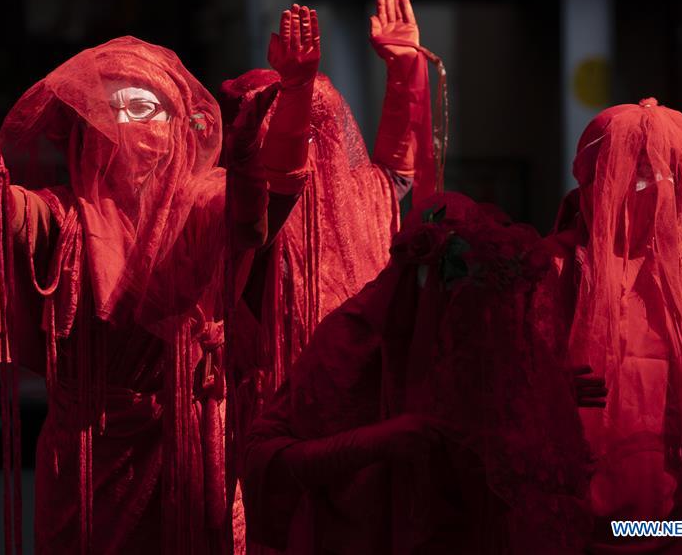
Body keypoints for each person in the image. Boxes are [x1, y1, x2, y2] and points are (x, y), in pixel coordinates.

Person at [0, 31, 315, 554]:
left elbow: (252, 221)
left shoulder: (203, 203)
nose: (126, 125)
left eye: (143, 107)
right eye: (112, 110)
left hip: (184, 448)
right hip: (83, 456)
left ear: (176, 127)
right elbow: (1, 214)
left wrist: (270, 126)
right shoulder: (62, 214)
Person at [242, 192, 594, 554]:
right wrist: (374, 442)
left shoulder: (476, 320)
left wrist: (543, 399)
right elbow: (265, 460)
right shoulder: (353, 335)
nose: (451, 303)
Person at [219, 0, 445, 552]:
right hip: (287, 414)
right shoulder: (243, 213)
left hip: (349, 413)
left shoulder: (369, 194)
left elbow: (397, 163)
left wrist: (407, 69)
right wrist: (401, 73)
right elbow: (285, 179)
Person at [537, 98, 682, 553]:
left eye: (663, 170)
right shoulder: (557, 265)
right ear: (594, 177)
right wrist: (550, 387)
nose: (649, 185)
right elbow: (511, 370)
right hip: (591, 494)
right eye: (631, 168)